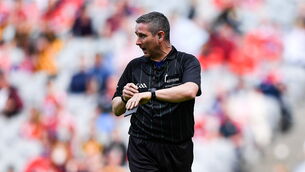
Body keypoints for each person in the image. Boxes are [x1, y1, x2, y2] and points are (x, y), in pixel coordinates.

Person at [112, 11, 201, 172]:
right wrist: (124, 98)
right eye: (136, 35)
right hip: (142, 146)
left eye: (142, 36)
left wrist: (151, 94)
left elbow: (190, 91)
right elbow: (116, 108)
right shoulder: (134, 66)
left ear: (160, 36)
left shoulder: (186, 62)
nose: (137, 42)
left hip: (177, 149)